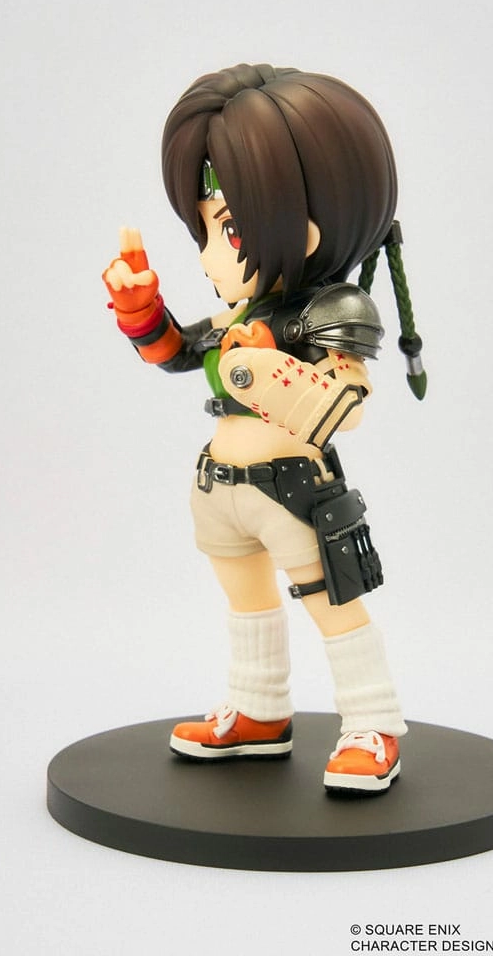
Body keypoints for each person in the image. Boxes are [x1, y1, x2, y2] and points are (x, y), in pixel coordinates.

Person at [103, 64, 422, 794]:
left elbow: (348, 400)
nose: (210, 255)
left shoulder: (329, 310)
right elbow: (178, 352)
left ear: (306, 227)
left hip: (292, 489)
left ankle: (373, 722)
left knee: (332, 604)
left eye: (229, 229)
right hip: (221, 487)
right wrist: (141, 308)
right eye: (204, 227)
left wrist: (272, 372)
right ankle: (258, 710)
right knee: (245, 601)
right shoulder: (239, 316)